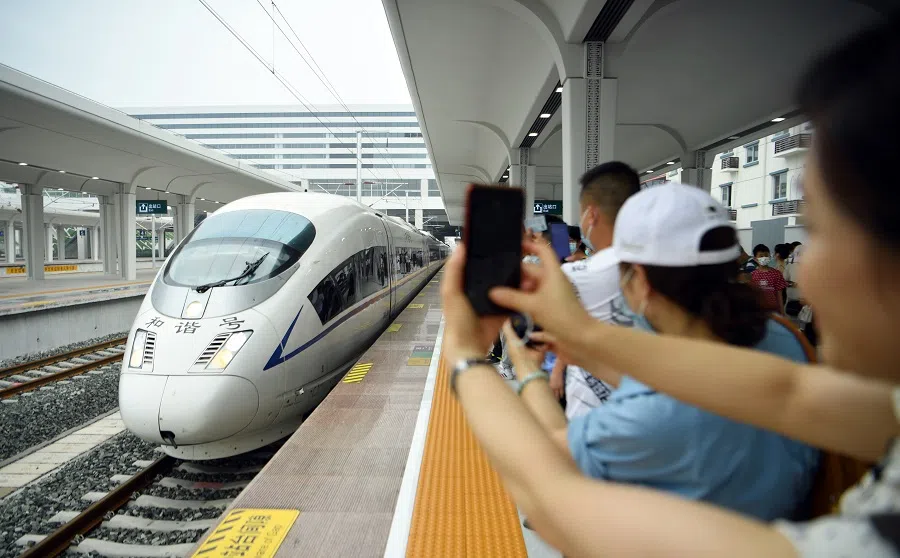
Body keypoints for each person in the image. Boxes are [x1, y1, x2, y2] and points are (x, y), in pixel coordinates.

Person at [440, 15, 900, 557]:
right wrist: (583, 336)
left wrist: (468, 357)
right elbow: (784, 392)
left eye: (816, 226)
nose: (805, 267)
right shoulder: (784, 339)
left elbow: (555, 500)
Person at [503, 183, 819, 520]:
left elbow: (557, 452)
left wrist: (525, 371)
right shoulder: (781, 335)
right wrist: (582, 353)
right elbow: (670, 377)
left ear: (639, 280)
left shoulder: (649, 415)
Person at [549, 161, 641, 418]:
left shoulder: (575, 274)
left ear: (592, 215)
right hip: (649, 408)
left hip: (592, 410)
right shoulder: (661, 269)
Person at [751, 244, 788, 313]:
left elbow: (780, 295)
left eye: (766, 255)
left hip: (774, 310)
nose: (764, 258)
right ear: (755, 259)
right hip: (758, 311)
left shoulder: (776, 274)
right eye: (761, 256)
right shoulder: (752, 275)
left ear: (769, 256)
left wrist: (782, 312)